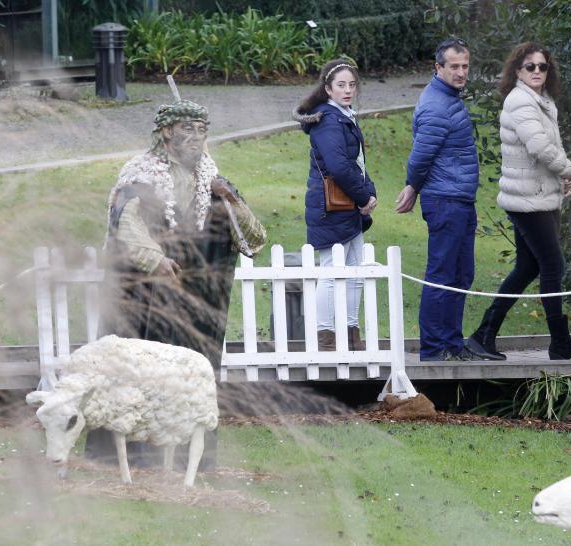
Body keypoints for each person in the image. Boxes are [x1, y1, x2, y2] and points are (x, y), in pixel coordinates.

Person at [87, 96, 267, 467]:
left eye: (202, 130)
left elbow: (254, 239)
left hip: (193, 303)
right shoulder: (139, 176)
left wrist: (231, 200)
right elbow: (126, 223)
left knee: (188, 374)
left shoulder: (211, 182)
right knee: (139, 368)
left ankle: (187, 455)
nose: (196, 137)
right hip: (144, 298)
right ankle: (135, 454)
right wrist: (154, 259)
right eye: (188, 128)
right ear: (167, 132)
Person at [466, 42, 571, 361]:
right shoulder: (521, 101)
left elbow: (551, 145)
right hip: (527, 200)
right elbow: (540, 147)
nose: (537, 71)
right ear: (517, 71)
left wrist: (561, 176)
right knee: (553, 264)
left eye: (542, 66)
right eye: (530, 66)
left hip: (539, 196)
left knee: (527, 267)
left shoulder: (541, 100)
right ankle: (559, 344)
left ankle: (483, 335)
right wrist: (567, 170)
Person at [395, 38, 480, 362]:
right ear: (438, 67)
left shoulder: (448, 99)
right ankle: (433, 350)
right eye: (454, 66)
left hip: (459, 199)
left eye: (465, 66)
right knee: (442, 275)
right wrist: (412, 187)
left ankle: (452, 344)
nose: (461, 72)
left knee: (461, 275)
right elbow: (420, 158)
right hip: (445, 201)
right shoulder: (436, 106)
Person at [293, 60, 377, 351]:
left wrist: (368, 192)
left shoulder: (344, 116)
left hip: (346, 204)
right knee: (332, 271)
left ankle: (350, 334)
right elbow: (339, 166)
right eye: (341, 85)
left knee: (355, 271)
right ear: (328, 89)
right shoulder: (329, 119)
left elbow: (358, 163)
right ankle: (325, 336)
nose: (348, 90)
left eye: (352, 85)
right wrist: (363, 197)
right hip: (330, 205)